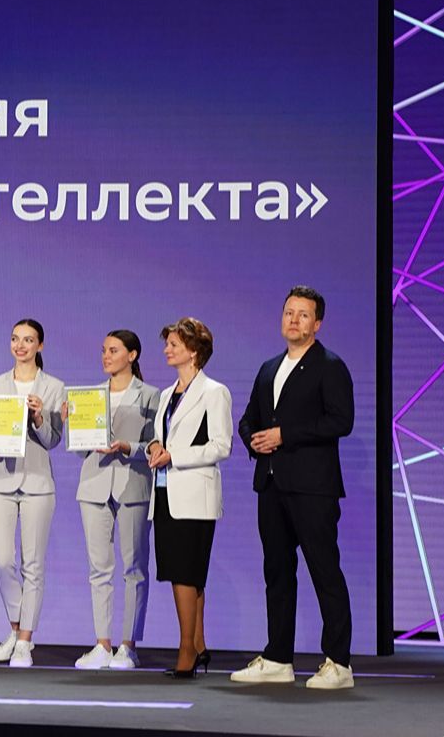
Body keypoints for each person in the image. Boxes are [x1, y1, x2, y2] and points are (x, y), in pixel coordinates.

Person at [232, 286, 356, 690]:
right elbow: (248, 418)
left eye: (303, 314)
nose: (294, 320)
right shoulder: (269, 367)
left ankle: (339, 663)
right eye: (289, 312)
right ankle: (278, 658)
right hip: (270, 483)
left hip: (313, 487)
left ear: (317, 323)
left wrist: (285, 435)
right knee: (277, 572)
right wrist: (254, 439)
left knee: (324, 570)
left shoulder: (329, 366)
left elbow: (341, 421)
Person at [66, 330, 161, 670]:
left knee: (134, 567)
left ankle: (128, 645)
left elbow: (155, 444)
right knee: (98, 568)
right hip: (94, 484)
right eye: (104, 350)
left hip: (133, 484)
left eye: (114, 350)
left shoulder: (150, 395)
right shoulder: (90, 396)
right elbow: (80, 450)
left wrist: (128, 447)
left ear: (132, 355)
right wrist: (73, 424)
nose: (106, 356)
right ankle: (102, 644)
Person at [146, 317, 231, 680]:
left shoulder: (214, 392)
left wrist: (174, 457)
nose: (167, 350)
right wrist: (154, 446)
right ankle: (197, 643)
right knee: (183, 573)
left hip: (195, 493)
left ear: (194, 351)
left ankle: (186, 650)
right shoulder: (167, 394)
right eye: (167, 344)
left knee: (186, 571)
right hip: (165, 491)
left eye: (174, 344)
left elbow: (221, 446)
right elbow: (161, 436)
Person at [0, 319, 65, 668]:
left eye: (28, 340)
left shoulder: (54, 387)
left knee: (33, 564)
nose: (21, 345)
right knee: (2, 559)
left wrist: (39, 417)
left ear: (40, 346)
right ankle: (16, 630)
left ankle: (25, 641)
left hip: (37, 482)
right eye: (16, 339)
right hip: (0, 480)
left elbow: (53, 441)